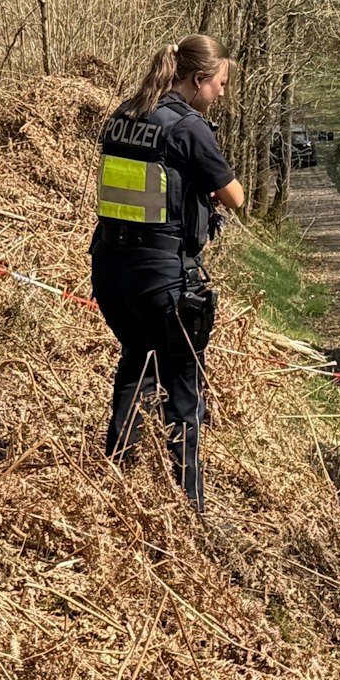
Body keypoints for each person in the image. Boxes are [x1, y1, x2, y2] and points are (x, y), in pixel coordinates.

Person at [91, 34, 244, 513]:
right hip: (163, 277)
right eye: (219, 83)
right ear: (198, 80)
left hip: (111, 270)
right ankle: (190, 508)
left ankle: (114, 481)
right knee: (183, 385)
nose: (222, 93)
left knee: (137, 362)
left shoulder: (125, 114)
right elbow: (236, 196)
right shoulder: (187, 127)